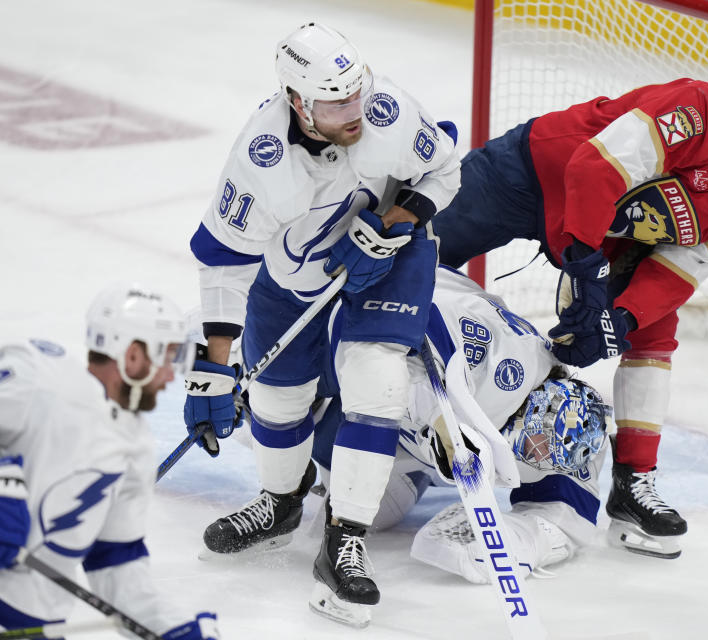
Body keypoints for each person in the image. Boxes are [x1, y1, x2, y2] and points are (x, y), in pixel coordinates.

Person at [431, 73, 708, 558]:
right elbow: (593, 169)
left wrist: (621, 319)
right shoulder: (695, 114)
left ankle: (634, 481)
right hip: (533, 173)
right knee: (414, 250)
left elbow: (677, 273)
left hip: (617, 243)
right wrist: (587, 272)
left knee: (656, 332)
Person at [184, 20, 459, 612]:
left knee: (375, 379)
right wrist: (213, 369)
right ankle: (282, 503)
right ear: (296, 102)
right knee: (278, 400)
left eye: (355, 91)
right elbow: (225, 262)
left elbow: (445, 169)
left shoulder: (384, 110)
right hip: (291, 278)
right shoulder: (260, 158)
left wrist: (398, 223)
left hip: (391, 260)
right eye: (336, 103)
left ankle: (344, 542)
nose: (354, 109)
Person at [304, 267, 610, 626]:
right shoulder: (505, 358)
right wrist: (436, 420)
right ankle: (283, 460)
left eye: (541, 449)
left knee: (379, 514)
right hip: (353, 308)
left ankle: (401, 472)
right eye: (538, 432)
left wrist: (514, 538)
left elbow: (568, 522)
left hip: (411, 447)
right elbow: (403, 321)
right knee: (296, 402)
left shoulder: (578, 442)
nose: (539, 447)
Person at [0, 284, 220, 639]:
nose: (170, 376)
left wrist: (171, 628)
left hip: (28, 623)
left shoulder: (133, 449)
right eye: (166, 358)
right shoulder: (36, 379)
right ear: (133, 357)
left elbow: (115, 562)